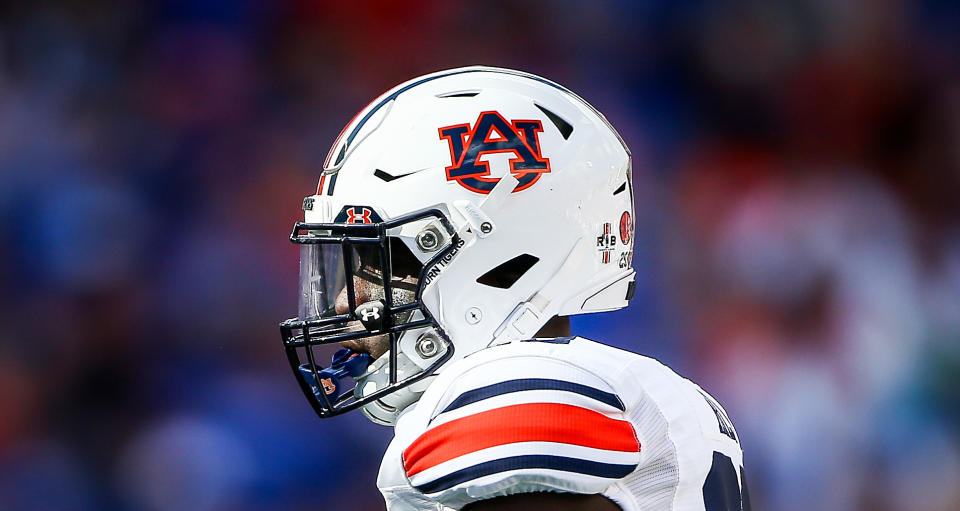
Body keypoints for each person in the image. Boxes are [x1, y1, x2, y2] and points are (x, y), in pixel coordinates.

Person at [278, 66, 749, 511]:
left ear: (497, 262)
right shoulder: (633, 386)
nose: (345, 303)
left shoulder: (519, 386)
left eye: (384, 267)